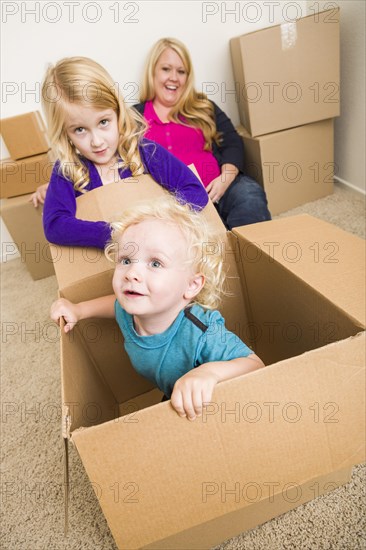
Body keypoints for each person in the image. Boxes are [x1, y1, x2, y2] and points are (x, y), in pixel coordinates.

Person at [51, 195, 264, 420]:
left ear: (191, 285)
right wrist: (79, 310)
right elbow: (114, 305)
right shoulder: (131, 309)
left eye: (155, 263)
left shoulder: (202, 331)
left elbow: (255, 365)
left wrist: (207, 373)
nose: (132, 273)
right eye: (125, 260)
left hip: (211, 398)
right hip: (174, 393)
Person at [40, 56, 208, 248]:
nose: (97, 141)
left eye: (103, 122)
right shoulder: (67, 170)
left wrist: (157, 221)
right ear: (65, 133)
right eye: (80, 130)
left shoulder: (146, 151)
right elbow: (55, 225)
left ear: (118, 112)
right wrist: (119, 232)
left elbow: (195, 191)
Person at [134, 37, 271, 230]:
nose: (174, 77)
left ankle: (253, 255)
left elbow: (233, 143)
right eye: (166, 69)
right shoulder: (134, 118)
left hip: (220, 189)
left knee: (249, 197)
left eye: (181, 71)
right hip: (173, 205)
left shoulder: (204, 107)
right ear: (153, 72)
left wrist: (225, 179)